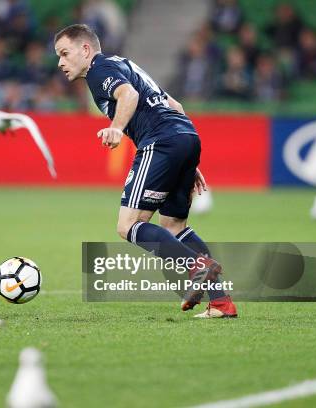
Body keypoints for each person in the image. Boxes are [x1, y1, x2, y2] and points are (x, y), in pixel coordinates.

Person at [54, 24, 237, 318]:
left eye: (64, 53)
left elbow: (128, 96)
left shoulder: (99, 69)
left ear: (85, 50)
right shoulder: (124, 64)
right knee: (174, 226)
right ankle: (221, 302)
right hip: (184, 137)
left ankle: (197, 267)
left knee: (128, 225)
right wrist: (186, 159)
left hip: (160, 142)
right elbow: (173, 103)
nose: (60, 62)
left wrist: (116, 129)